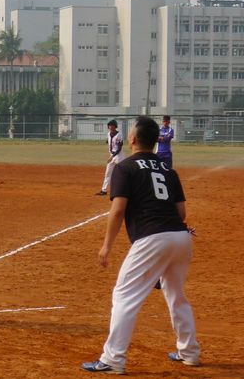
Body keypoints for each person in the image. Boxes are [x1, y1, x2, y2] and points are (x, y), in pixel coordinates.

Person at [82, 116, 200, 375]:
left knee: (124, 295)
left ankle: (113, 360)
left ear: (133, 139)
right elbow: (181, 212)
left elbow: (118, 210)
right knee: (176, 295)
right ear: (156, 140)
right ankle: (189, 352)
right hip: (180, 238)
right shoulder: (168, 170)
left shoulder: (126, 167)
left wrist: (106, 246)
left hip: (152, 238)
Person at [96, 119, 125, 196]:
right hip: (112, 156)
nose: (110, 126)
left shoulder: (119, 135)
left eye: (112, 125)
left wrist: (112, 156)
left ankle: (130, 189)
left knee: (124, 173)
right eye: (109, 125)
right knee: (108, 173)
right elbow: (109, 141)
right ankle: (104, 190)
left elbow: (119, 148)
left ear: (115, 126)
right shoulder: (108, 134)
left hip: (119, 156)